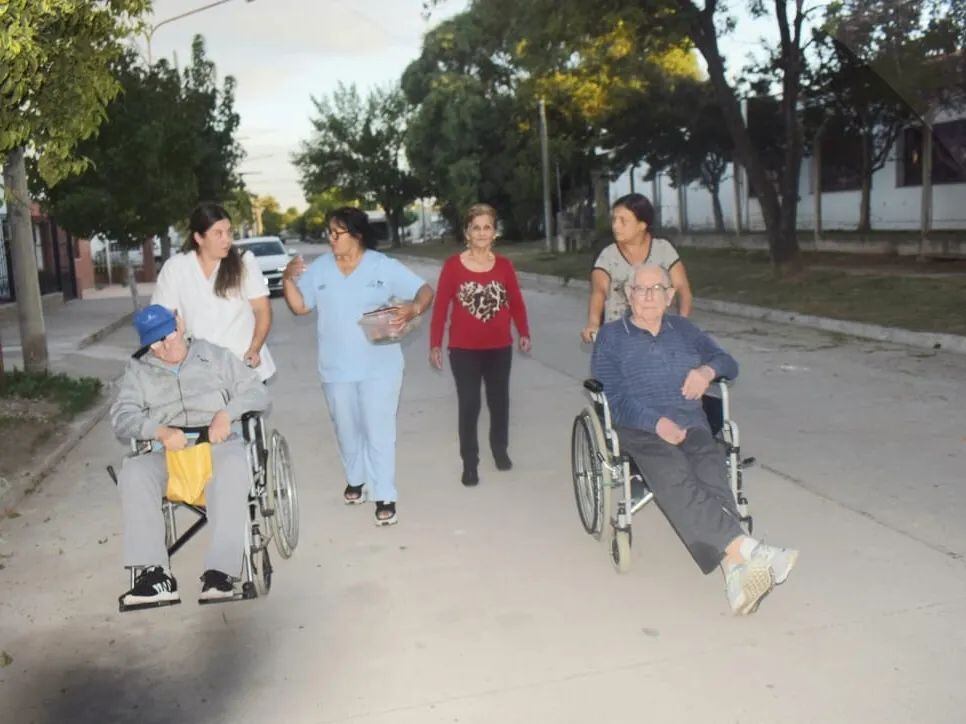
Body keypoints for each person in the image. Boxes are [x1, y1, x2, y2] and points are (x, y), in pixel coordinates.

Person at [591, 264, 797, 615]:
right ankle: (749, 550)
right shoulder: (612, 337)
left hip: (691, 423)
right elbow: (615, 398)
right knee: (672, 471)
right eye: (640, 290)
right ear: (628, 296)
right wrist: (656, 423)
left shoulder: (683, 329)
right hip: (639, 429)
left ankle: (734, 572)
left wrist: (707, 371)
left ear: (671, 296)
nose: (649, 296)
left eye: (658, 289)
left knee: (710, 469)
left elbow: (729, 363)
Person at [281, 206, 434, 526]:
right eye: (329, 233)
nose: (331, 238)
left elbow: (424, 289)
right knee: (347, 428)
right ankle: (356, 478)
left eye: (338, 233)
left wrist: (413, 308)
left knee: (379, 430)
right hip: (336, 368)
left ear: (358, 235)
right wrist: (287, 279)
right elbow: (299, 307)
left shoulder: (382, 266)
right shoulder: (320, 269)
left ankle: (385, 494)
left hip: (381, 366)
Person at [110, 305, 269, 606]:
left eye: (169, 335)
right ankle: (156, 576)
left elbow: (256, 391)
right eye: (155, 342)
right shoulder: (138, 370)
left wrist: (227, 413)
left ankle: (220, 573)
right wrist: (158, 431)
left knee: (235, 467)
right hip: (169, 453)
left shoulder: (214, 356)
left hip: (217, 446)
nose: (165, 347)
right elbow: (121, 417)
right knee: (134, 472)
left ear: (180, 325)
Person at [429, 203, 531, 486]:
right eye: (477, 227)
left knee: (499, 402)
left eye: (488, 227)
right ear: (467, 233)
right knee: (470, 403)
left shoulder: (504, 266)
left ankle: (500, 449)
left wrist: (524, 331)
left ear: (494, 233)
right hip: (463, 350)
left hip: (499, 347)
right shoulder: (452, 267)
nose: (482, 233)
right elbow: (440, 308)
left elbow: (516, 302)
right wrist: (435, 343)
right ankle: (470, 462)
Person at [152, 202, 276, 382]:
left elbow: (262, 310)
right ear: (199, 238)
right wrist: (168, 355)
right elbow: (162, 320)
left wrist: (254, 349)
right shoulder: (176, 268)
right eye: (218, 233)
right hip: (198, 375)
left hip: (244, 369)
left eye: (229, 232)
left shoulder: (243, 261)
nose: (227, 239)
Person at [580, 193, 693, 343]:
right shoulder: (607, 254)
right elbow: (599, 291)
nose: (615, 226)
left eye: (623, 221)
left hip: (660, 335)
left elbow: (682, 288)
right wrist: (593, 323)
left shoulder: (663, 249)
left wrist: (682, 323)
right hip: (619, 337)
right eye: (614, 220)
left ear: (642, 225)